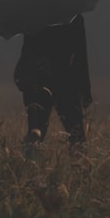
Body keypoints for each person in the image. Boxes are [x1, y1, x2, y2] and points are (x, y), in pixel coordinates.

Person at [13, 13, 93, 146]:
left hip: (39, 80)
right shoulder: (73, 15)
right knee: (77, 136)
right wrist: (85, 89)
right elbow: (80, 58)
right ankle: (80, 165)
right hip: (66, 80)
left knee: (35, 133)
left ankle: (29, 164)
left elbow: (27, 52)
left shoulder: (33, 16)